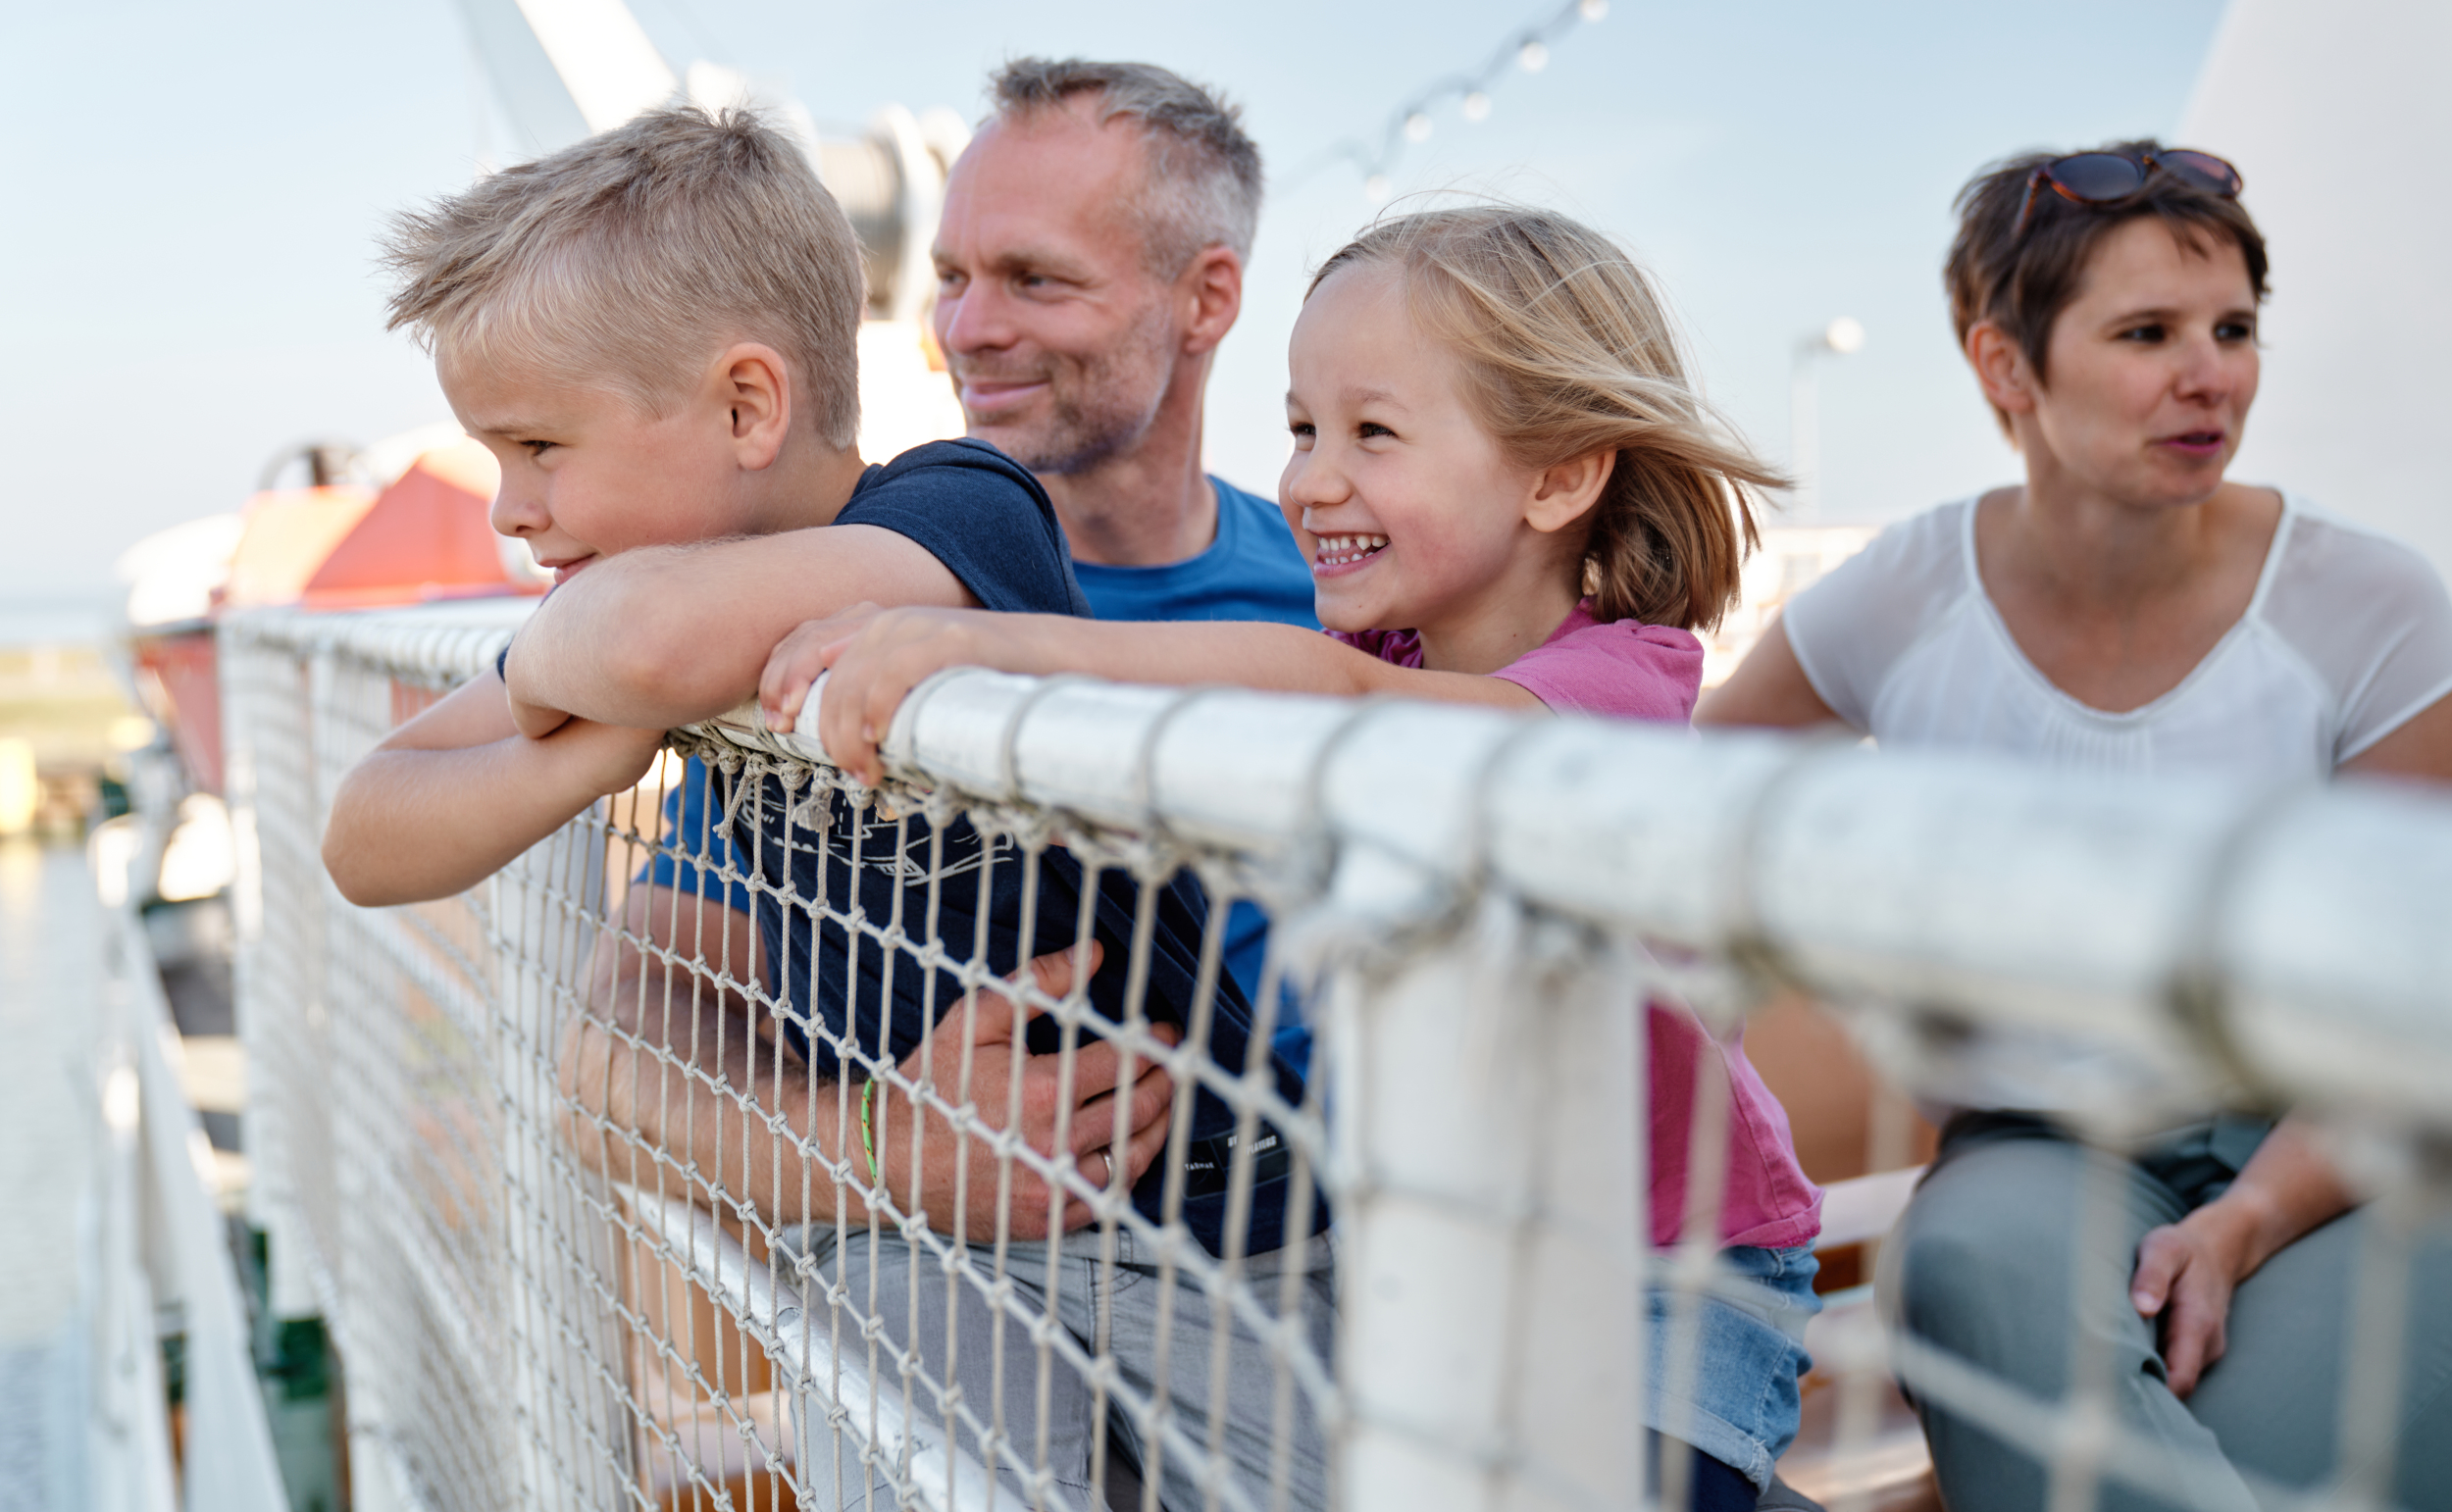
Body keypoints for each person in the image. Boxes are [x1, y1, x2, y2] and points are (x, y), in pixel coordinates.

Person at [319, 106, 1326, 1509]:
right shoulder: (665, 618)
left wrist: (600, 679)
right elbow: (364, 832)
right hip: (946, 1228)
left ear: (748, 405)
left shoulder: (960, 513)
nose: (512, 511)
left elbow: (645, 644)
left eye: (539, 445)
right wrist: (582, 760)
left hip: (1219, 1224)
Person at [767, 205, 1827, 1510]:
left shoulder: (1614, 688)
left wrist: (1007, 641)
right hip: (1438, 1251)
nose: (1311, 478)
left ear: (1560, 476)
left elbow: (1336, 705)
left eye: (1372, 433)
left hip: (1662, 1267)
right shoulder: (1386, 659)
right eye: (1304, 426)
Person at [1700, 140, 2452, 1507]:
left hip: (2330, 1141)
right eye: (2146, 332)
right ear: (2004, 366)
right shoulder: (1906, 592)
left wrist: (2248, 1215)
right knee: (1974, 1270)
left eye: (2232, 329)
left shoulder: (2381, 606)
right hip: (2032, 1157)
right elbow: (1696, 789)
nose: (2209, 372)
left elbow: (2416, 1001)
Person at [931, 57, 1318, 1071]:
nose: (965, 331)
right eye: (950, 277)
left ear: (1205, 298)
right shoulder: (865, 595)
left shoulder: (1350, 603)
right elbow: (639, 998)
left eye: (1035, 277)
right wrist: (885, 1147)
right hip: (975, 1223)